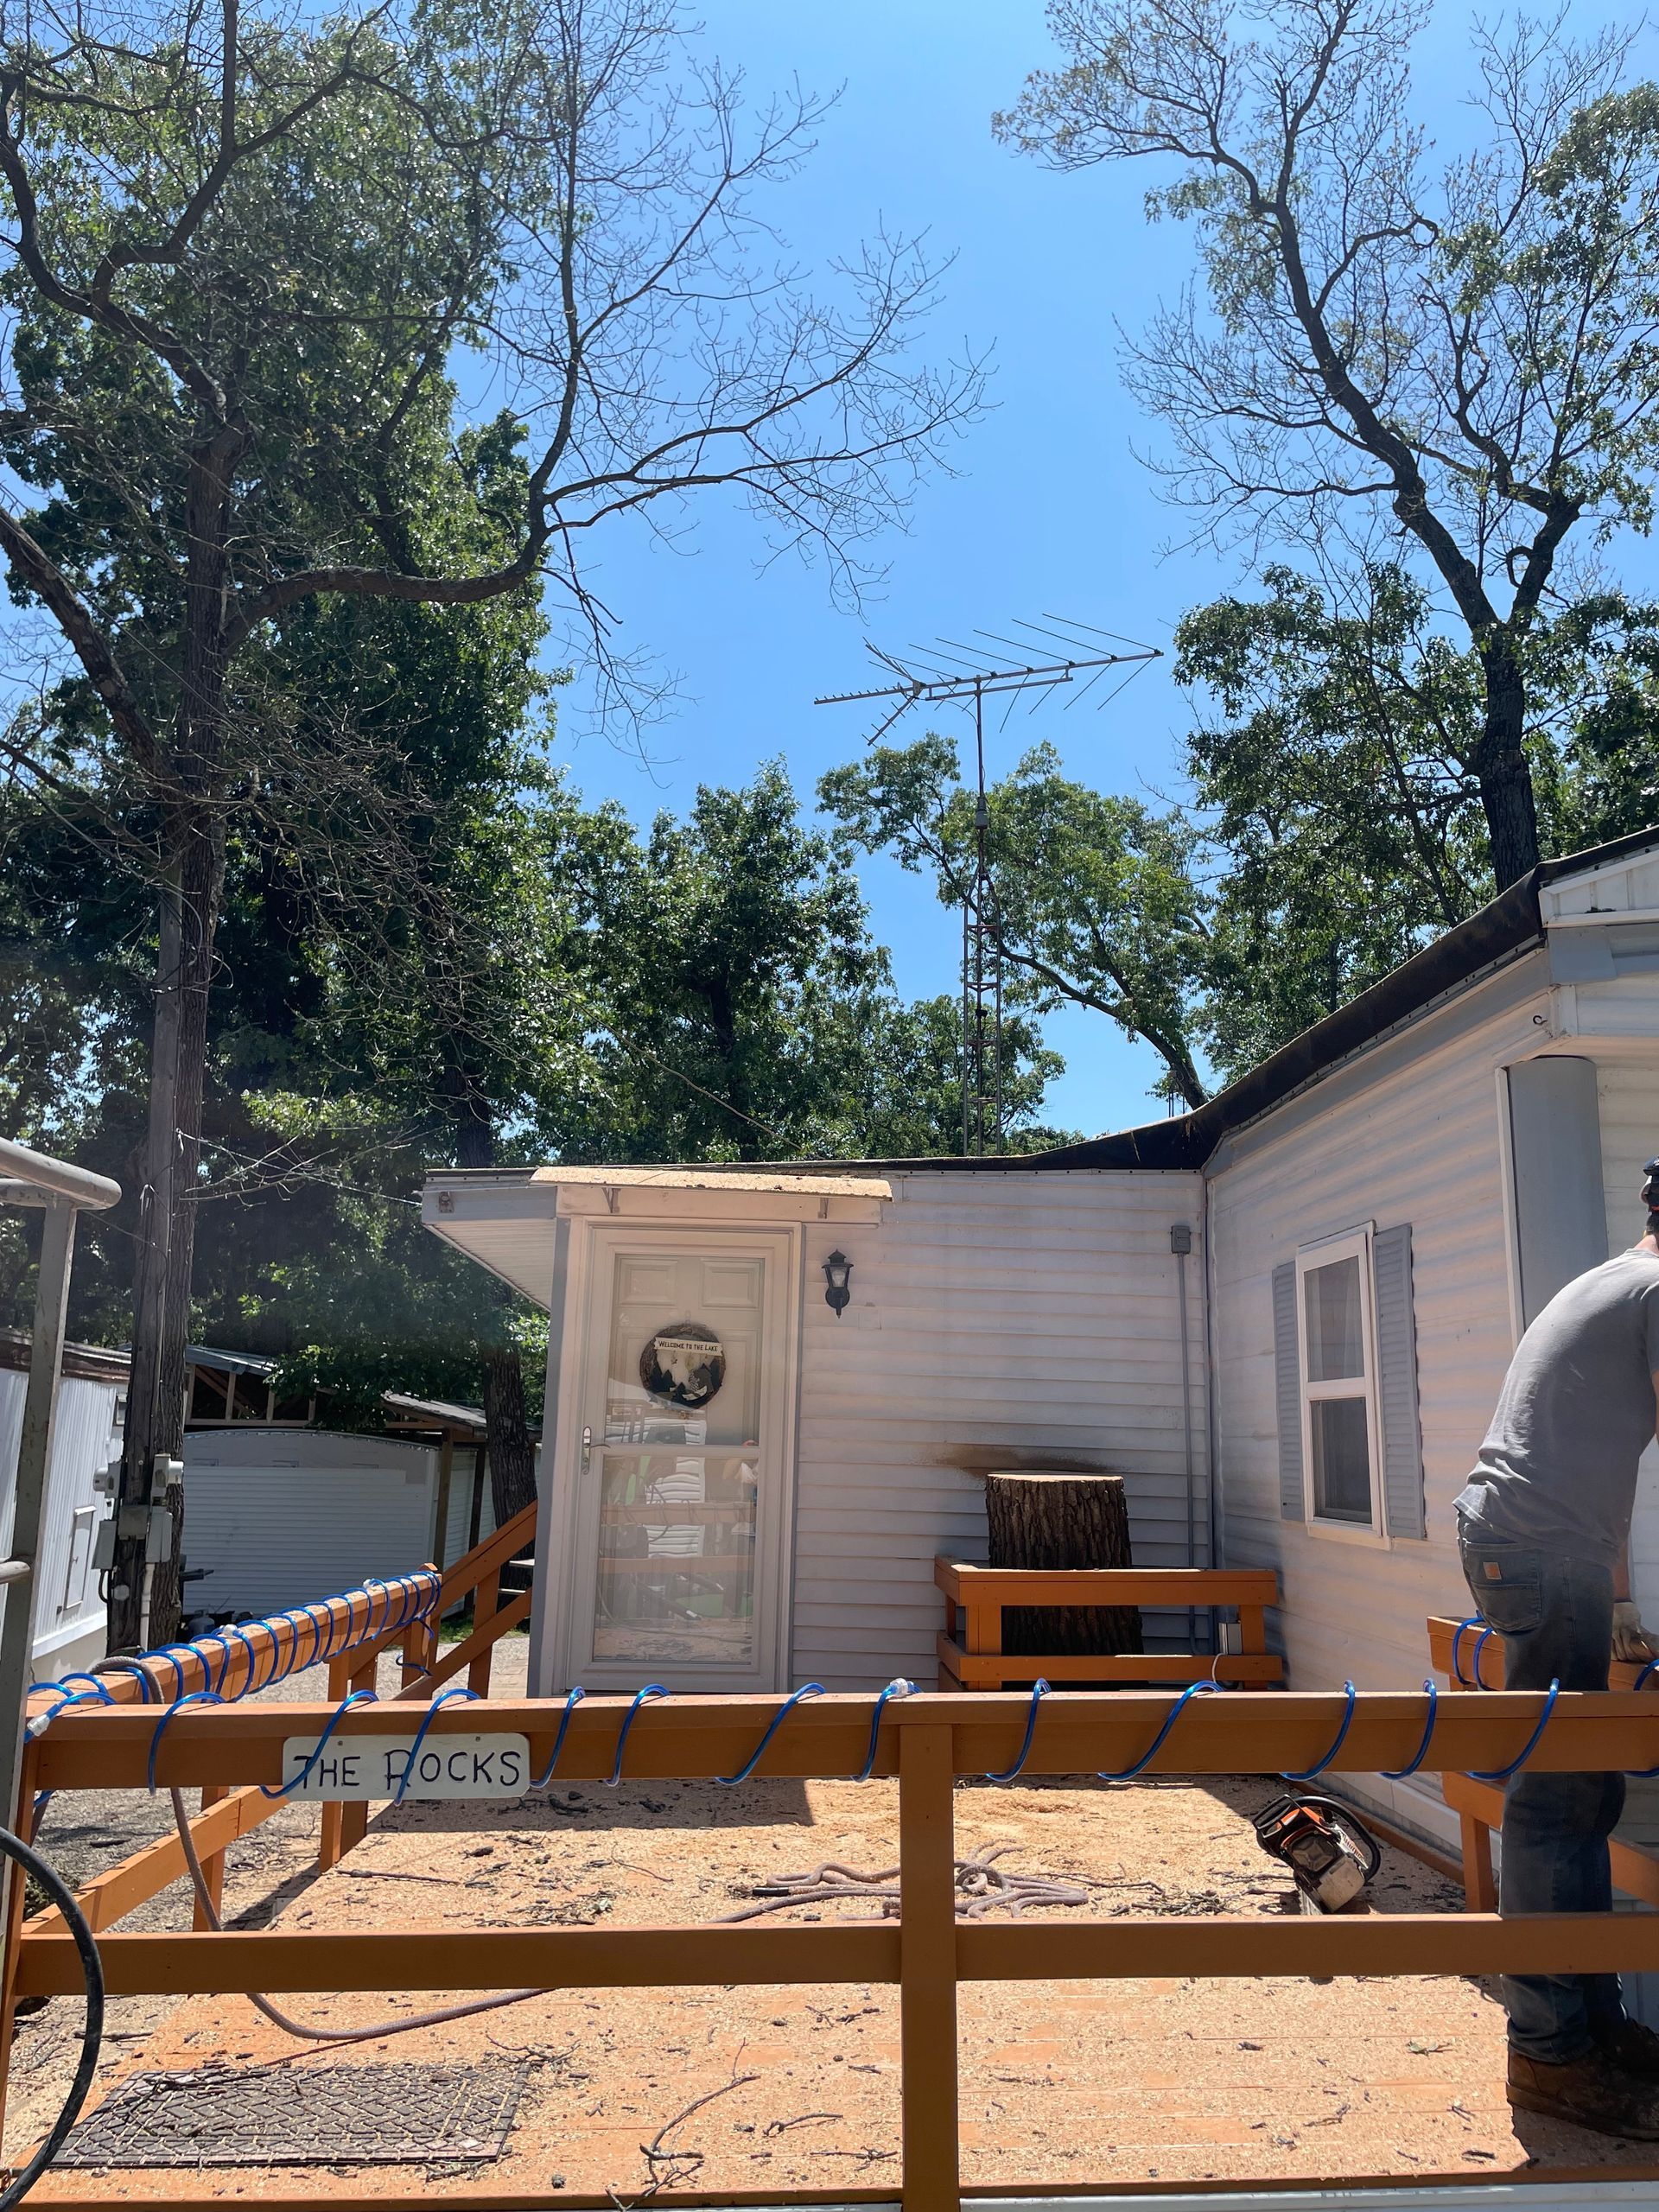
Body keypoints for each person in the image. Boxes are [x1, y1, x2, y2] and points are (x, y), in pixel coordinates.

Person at [1456, 1159, 1659, 2139]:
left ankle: (1591, 2026)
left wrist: (1621, 1600)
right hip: (1541, 1548)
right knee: (1555, 1794)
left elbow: (1600, 1453)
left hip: (1537, 1543)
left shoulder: (1614, 1281)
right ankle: (1549, 2055)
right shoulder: (1657, 1292)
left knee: (1581, 1786)